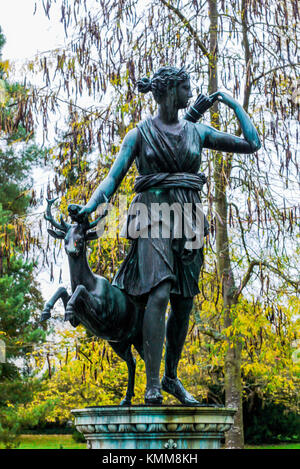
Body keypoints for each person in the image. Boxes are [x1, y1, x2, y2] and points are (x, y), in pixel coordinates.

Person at [77, 66, 261, 405]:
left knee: (184, 302)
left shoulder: (197, 131)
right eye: (185, 87)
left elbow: (252, 143)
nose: (191, 94)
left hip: (189, 218)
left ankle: (171, 377)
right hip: (151, 215)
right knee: (159, 292)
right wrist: (90, 209)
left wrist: (233, 103)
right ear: (168, 91)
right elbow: (112, 179)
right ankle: (151, 385)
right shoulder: (139, 134)